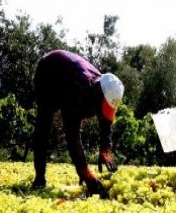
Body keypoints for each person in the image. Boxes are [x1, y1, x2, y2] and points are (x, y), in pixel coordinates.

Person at [32, 50, 123, 197]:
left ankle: (81, 172)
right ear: (97, 95)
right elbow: (72, 136)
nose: (102, 112)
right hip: (48, 72)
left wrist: (105, 150)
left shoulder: (104, 90)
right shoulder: (78, 90)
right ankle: (39, 179)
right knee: (44, 125)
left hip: (68, 75)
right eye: (103, 106)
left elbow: (106, 124)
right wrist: (85, 172)